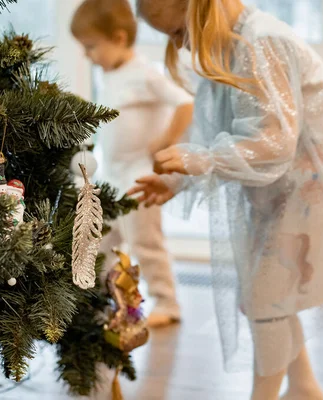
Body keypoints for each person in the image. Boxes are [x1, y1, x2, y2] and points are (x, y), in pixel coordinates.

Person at [129, 0, 323, 398]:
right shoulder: (229, 48)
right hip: (277, 193)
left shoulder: (260, 43)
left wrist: (201, 159)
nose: (180, 46)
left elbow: (273, 141)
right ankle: (304, 386)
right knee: (267, 294)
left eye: (180, 32)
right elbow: (214, 127)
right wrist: (178, 181)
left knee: (267, 298)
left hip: (308, 192)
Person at [71, 0, 194, 327]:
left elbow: (185, 104)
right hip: (112, 175)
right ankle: (100, 301)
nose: (88, 56)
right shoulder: (111, 75)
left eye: (91, 47)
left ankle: (168, 303)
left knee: (146, 243)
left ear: (120, 38)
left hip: (139, 177)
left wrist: (166, 141)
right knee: (102, 241)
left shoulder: (142, 73)